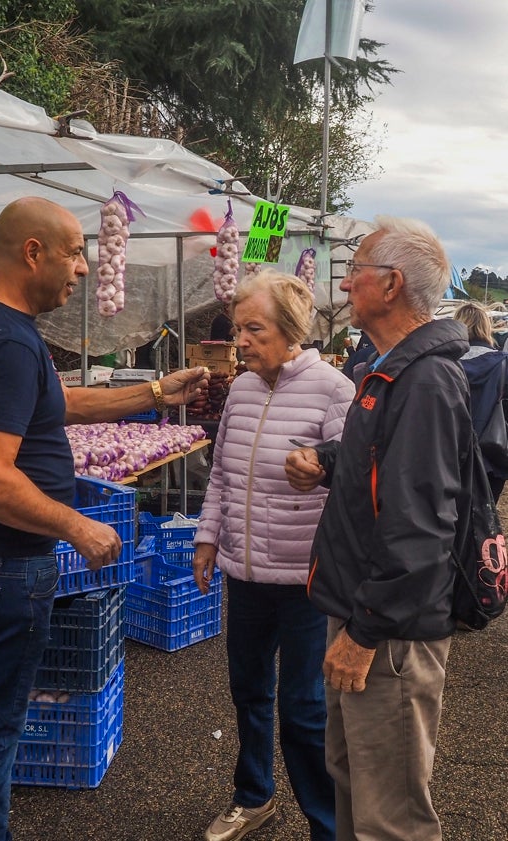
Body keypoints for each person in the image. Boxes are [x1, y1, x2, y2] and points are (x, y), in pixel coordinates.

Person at [0, 196, 209, 841]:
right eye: (76, 252)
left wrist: (151, 393)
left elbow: (57, 404)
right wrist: (77, 526)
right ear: (34, 252)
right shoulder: (6, 341)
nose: (84, 269)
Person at [285, 216, 473, 841]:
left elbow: (421, 531)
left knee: (390, 813)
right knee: (352, 778)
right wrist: (331, 462)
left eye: (354, 270)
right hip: (366, 612)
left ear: (389, 285)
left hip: (388, 631)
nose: (343, 286)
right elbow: (391, 465)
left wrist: (363, 635)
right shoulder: (391, 367)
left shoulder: (424, 379)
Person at [193, 270, 355, 841]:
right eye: (239, 329)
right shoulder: (239, 390)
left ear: (290, 332)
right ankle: (253, 796)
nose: (240, 340)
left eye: (252, 329)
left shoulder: (335, 391)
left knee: (305, 711)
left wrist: (320, 472)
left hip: (306, 579)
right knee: (249, 691)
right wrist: (208, 538)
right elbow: (221, 478)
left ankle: (326, 823)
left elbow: (357, 483)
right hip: (246, 572)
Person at [453, 300, 508, 501]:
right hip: (492, 456)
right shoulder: (503, 363)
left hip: (449, 457)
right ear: (486, 326)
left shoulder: (443, 364)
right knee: (486, 522)